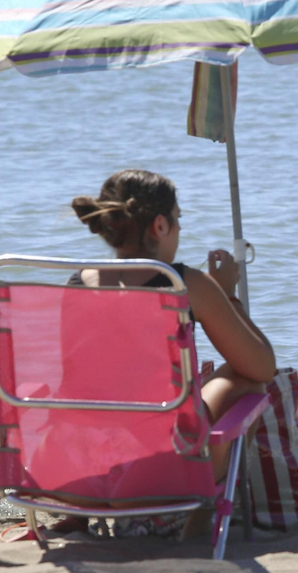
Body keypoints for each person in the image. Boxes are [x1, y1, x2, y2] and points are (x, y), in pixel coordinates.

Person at [71, 169, 276, 484]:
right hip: (163, 468)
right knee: (247, 381)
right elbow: (262, 366)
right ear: (160, 225)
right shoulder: (184, 285)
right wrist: (226, 295)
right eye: (178, 219)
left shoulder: (76, 285)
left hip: (84, 463)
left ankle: (84, 516)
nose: (179, 228)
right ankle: (201, 509)